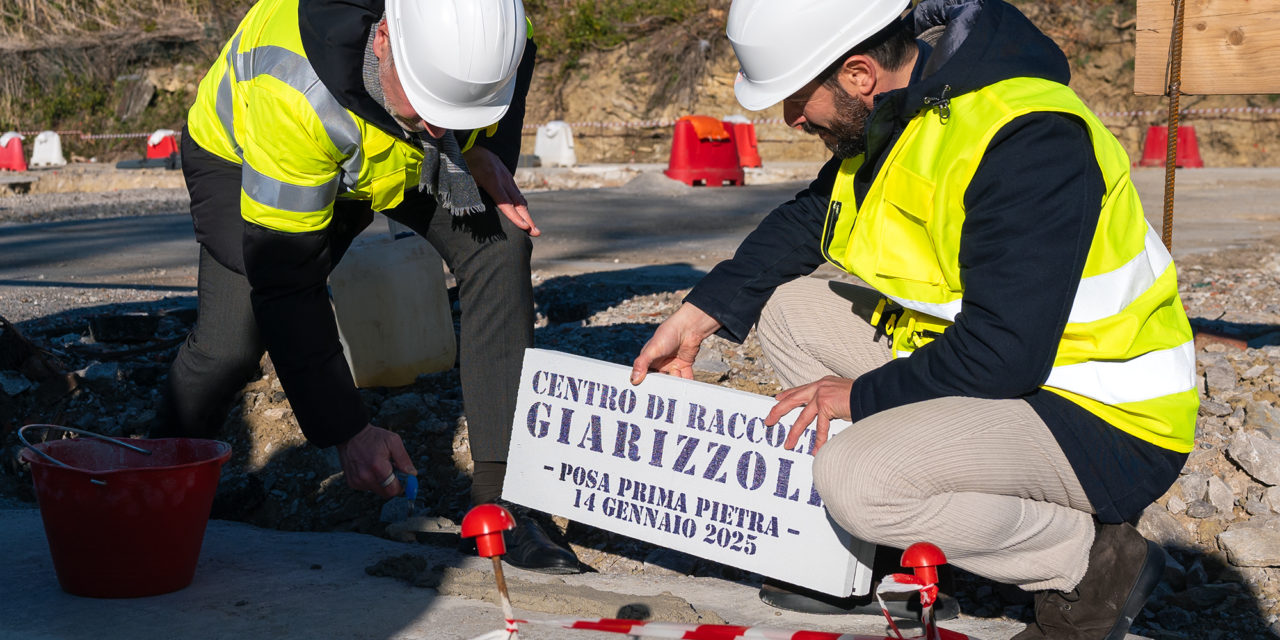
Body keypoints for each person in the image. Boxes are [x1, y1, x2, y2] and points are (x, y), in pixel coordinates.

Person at [631, 0, 1196, 636]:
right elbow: (812, 217)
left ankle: (1088, 564)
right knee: (789, 312)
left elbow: (1004, 351)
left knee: (856, 479)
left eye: (794, 98)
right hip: (1016, 372)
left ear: (858, 74)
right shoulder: (908, 112)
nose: (791, 119)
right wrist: (699, 314)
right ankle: (888, 543)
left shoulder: (1028, 137)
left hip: (1102, 411)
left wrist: (861, 397)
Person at [156, 0, 581, 574]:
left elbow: (512, 62)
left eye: (456, 111)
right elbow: (288, 283)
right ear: (383, 40)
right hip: (251, 155)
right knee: (231, 341)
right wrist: (346, 430)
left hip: (388, 151)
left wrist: (483, 148)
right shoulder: (292, 88)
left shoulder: (490, 25)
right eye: (433, 105)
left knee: (499, 244)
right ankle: (151, 485)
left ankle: (502, 501)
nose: (442, 128)